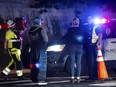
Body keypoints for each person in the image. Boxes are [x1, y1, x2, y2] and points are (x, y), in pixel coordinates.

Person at [29, 17, 48, 83]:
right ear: (39, 22)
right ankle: (41, 78)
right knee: (42, 64)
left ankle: (33, 77)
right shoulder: (41, 29)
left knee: (34, 64)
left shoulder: (30, 29)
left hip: (33, 49)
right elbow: (46, 39)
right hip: (41, 49)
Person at [84, 16, 102, 81]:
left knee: (91, 62)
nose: (88, 20)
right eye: (87, 19)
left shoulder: (95, 26)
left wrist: (98, 43)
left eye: (89, 19)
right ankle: (93, 76)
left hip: (92, 46)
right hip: (88, 46)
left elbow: (100, 35)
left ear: (92, 19)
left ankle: (92, 77)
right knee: (91, 62)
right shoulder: (86, 26)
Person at [65, 17, 84, 83]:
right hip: (79, 47)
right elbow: (84, 37)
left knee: (72, 62)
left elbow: (66, 37)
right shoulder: (82, 29)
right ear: (78, 22)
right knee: (79, 63)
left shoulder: (70, 29)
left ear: (73, 22)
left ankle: (72, 78)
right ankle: (78, 78)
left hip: (72, 47)